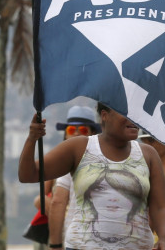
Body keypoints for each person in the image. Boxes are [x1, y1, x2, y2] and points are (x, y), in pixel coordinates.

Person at [18, 102, 165, 250]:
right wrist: (32, 139)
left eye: (136, 113)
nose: (134, 118)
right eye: (126, 113)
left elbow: (160, 206)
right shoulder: (80, 148)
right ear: (105, 115)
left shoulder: (149, 155)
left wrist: (163, 239)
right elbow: (28, 174)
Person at [47, 105, 101, 249]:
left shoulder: (68, 161)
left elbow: (58, 202)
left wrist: (55, 244)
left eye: (82, 130)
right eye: (71, 130)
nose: (76, 134)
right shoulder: (63, 161)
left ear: (93, 133)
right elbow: (53, 200)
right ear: (65, 134)